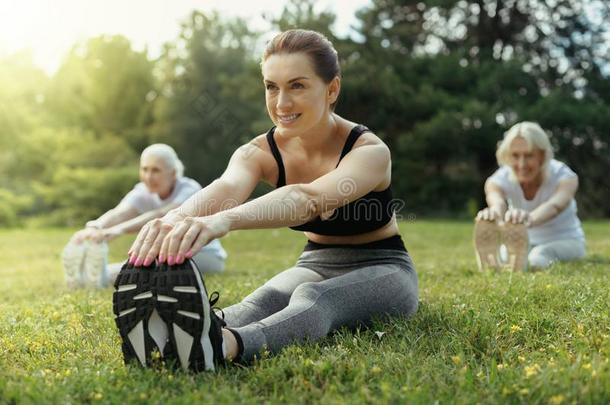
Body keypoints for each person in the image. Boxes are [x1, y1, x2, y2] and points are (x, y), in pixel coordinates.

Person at [112, 29, 418, 372]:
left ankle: (220, 346)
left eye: (297, 85)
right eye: (272, 87)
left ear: (332, 89)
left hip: (385, 267)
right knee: (264, 299)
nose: (281, 103)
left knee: (314, 299)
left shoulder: (369, 152)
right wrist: (175, 220)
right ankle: (186, 332)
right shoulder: (259, 151)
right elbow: (226, 187)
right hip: (314, 261)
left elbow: (308, 198)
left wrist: (224, 221)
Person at [62, 143, 227, 288]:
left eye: (156, 170)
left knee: (143, 266)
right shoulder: (142, 190)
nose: (148, 176)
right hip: (167, 253)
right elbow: (121, 212)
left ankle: (99, 277)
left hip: (204, 255)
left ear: (173, 173)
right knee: (142, 264)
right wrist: (95, 226)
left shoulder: (189, 189)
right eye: (144, 169)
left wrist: (117, 231)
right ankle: (88, 277)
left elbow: (163, 215)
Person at [474, 121, 585, 271]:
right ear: (507, 156)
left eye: (529, 155)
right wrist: (493, 214)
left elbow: (555, 206)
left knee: (539, 256)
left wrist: (528, 219)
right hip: (524, 240)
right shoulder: (500, 178)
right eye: (515, 156)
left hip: (566, 240)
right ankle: (496, 264)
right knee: (506, 254)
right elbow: (497, 199)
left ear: (542, 155)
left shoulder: (564, 176)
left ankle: (531, 263)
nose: (521, 164)